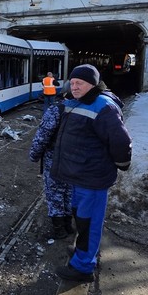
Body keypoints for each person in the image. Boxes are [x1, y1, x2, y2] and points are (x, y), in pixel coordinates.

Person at [50, 64, 132, 283]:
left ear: (93, 85)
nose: (74, 87)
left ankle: (83, 267)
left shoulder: (103, 106)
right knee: (81, 218)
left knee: (89, 222)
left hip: (92, 178)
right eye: (73, 82)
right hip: (80, 175)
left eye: (80, 83)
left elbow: (120, 140)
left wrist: (122, 162)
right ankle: (82, 252)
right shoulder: (78, 102)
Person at [28, 93, 74, 239]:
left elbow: (42, 136)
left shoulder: (57, 110)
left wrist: (34, 155)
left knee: (55, 193)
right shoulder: (88, 110)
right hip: (76, 161)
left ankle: (59, 229)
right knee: (69, 192)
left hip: (55, 160)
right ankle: (68, 224)